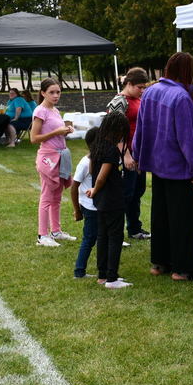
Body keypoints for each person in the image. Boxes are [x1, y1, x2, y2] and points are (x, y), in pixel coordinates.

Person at [132, 52, 193, 281]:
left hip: (156, 165)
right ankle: (183, 269)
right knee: (181, 219)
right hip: (177, 167)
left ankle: (160, 263)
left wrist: (137, 153)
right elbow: (187, 139)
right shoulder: (181, 97)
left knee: (161, 215)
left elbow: (140, 128)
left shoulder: (152, 90)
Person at [86, 112, 132, 289]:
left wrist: (95, 191)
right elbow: (101, 176)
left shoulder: (97, 145)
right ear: (116, 129)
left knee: (102, 236)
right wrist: (96, 188)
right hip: (112, 198)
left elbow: (92, 170)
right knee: (115, 237)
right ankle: (112, 278)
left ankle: (102, 275)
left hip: (101, 200)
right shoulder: (111, 149)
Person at [31, 77, 76, 247]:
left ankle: (56, 231)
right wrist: (57, 131)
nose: (56, 95)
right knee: (47, 196)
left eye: (58, 92)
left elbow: (55, 132)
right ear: (43, 93)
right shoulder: (40, 111)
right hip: (48, 157)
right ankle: (42, 236)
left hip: (60, 156)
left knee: (57, 196)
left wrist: (65, 131)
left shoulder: (55, 111)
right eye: (52, 92)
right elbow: (34, 138)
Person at [107, 67, 150, 241]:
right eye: (140, 87)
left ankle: (134, 228)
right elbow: (114, 130)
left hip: (137, 154)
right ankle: (115, 232)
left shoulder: (137, 99)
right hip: (124, 155)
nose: (142, 90)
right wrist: (125, 155)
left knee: (136, 191)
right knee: (124, 194)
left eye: (144, 87)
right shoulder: (119, 101)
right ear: (129, 84)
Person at [71, 127, 100, 279]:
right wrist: (77, 210)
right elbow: (74, 186)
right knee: (89, 239)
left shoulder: (100, 161)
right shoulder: (85, 163)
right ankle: (79, 271)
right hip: (90, 207)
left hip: (100, 206)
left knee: (98, 237)